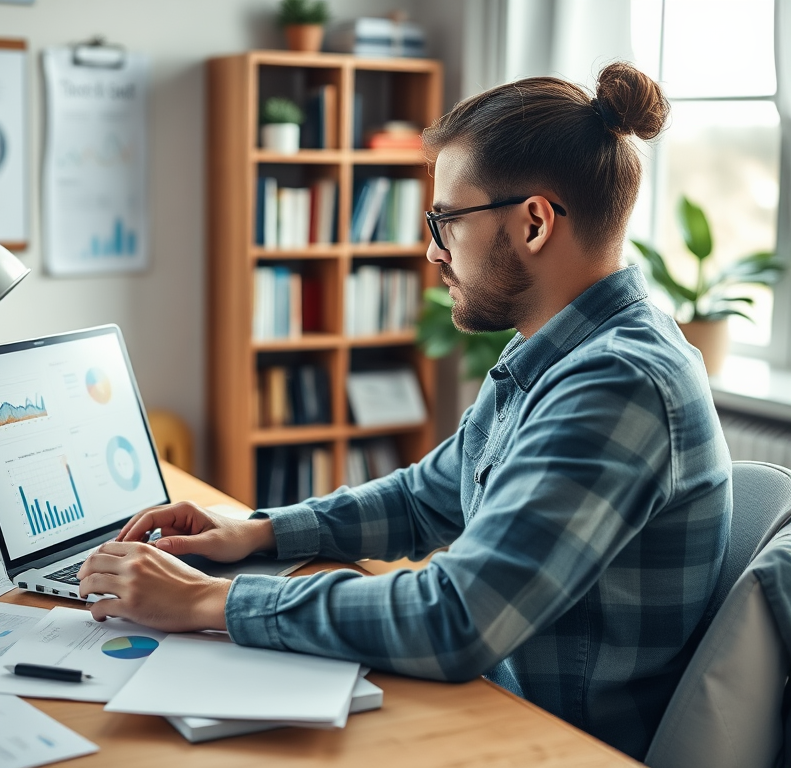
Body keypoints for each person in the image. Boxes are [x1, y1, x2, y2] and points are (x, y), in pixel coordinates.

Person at [77, 62, 732, 760]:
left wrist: (207, 603)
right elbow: (428, 498)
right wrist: (258, 533)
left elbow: (456, 619)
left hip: (548, 741)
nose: (430, 249)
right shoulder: (561, 351)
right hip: (494, 706)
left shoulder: (617, 385)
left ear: (535, 222)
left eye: (445, 218)